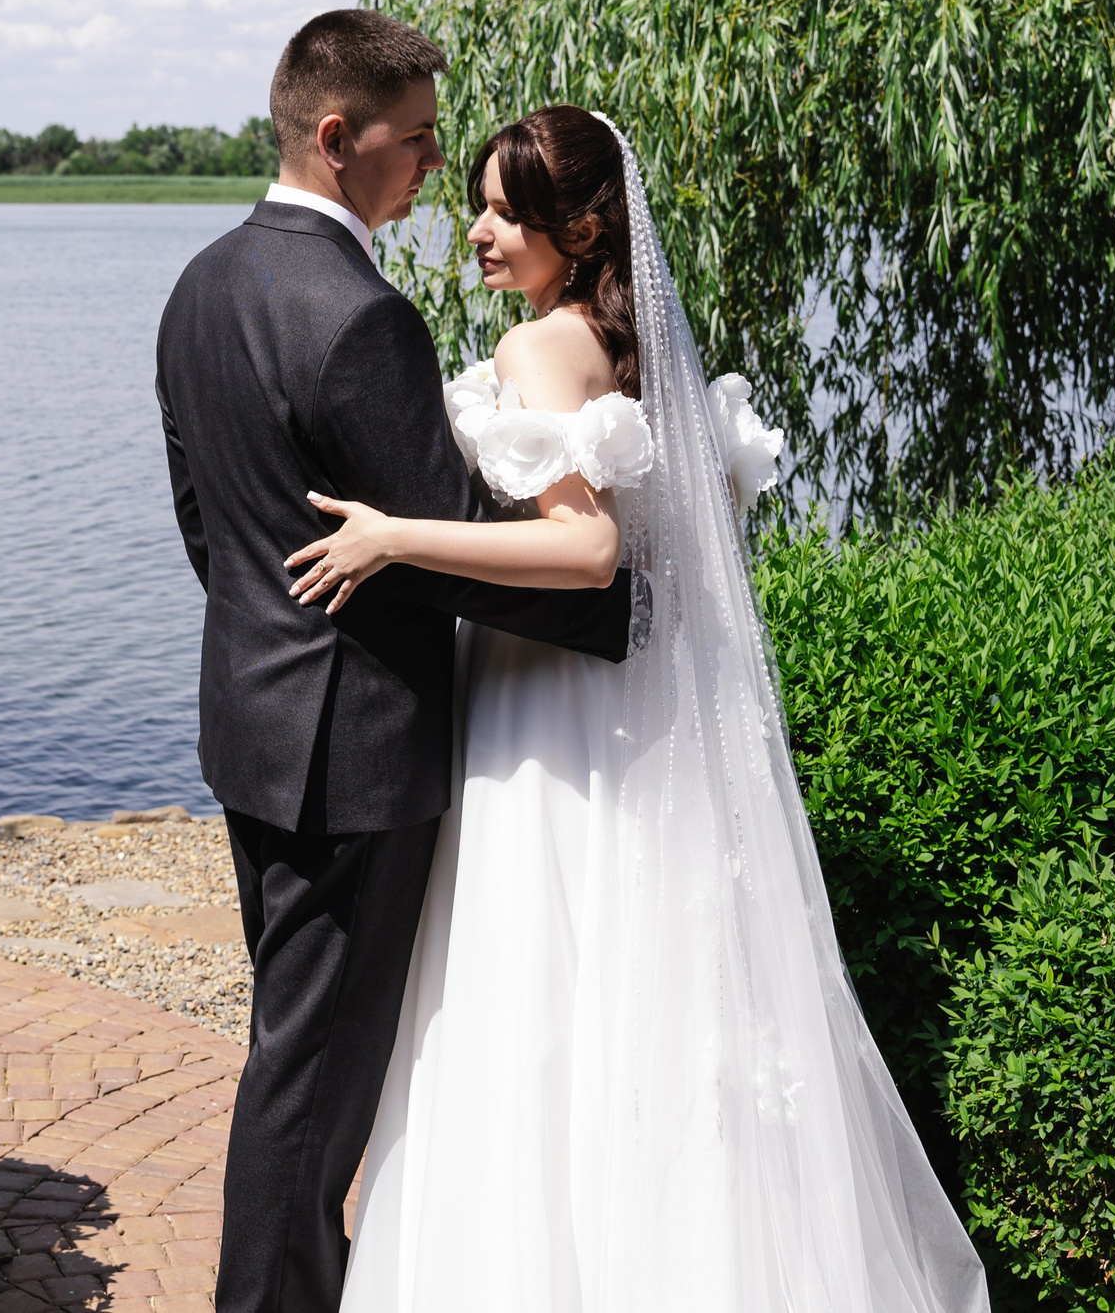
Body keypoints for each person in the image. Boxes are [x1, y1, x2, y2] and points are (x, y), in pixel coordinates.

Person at [290, 106, 992, 1312]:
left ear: (583, 226)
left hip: (544, 710)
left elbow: (591, 550)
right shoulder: (637, 346)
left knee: (532, 988)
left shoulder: (537, 348)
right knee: (645, 988)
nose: (479, 231)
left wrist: (393, 535)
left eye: (510, 212)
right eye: (479, 203)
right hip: (623, 713)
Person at [154, 13, 634, 1313]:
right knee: (311, 1089)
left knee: (292, 1056)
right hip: (355, 754)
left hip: (251, 730)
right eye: (414, 139)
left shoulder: (201, 282)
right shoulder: (360, 313)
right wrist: (627, 611)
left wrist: (279, 636)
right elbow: (447, 547)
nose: (427, 166)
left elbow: (212, 525)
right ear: (336, 134)